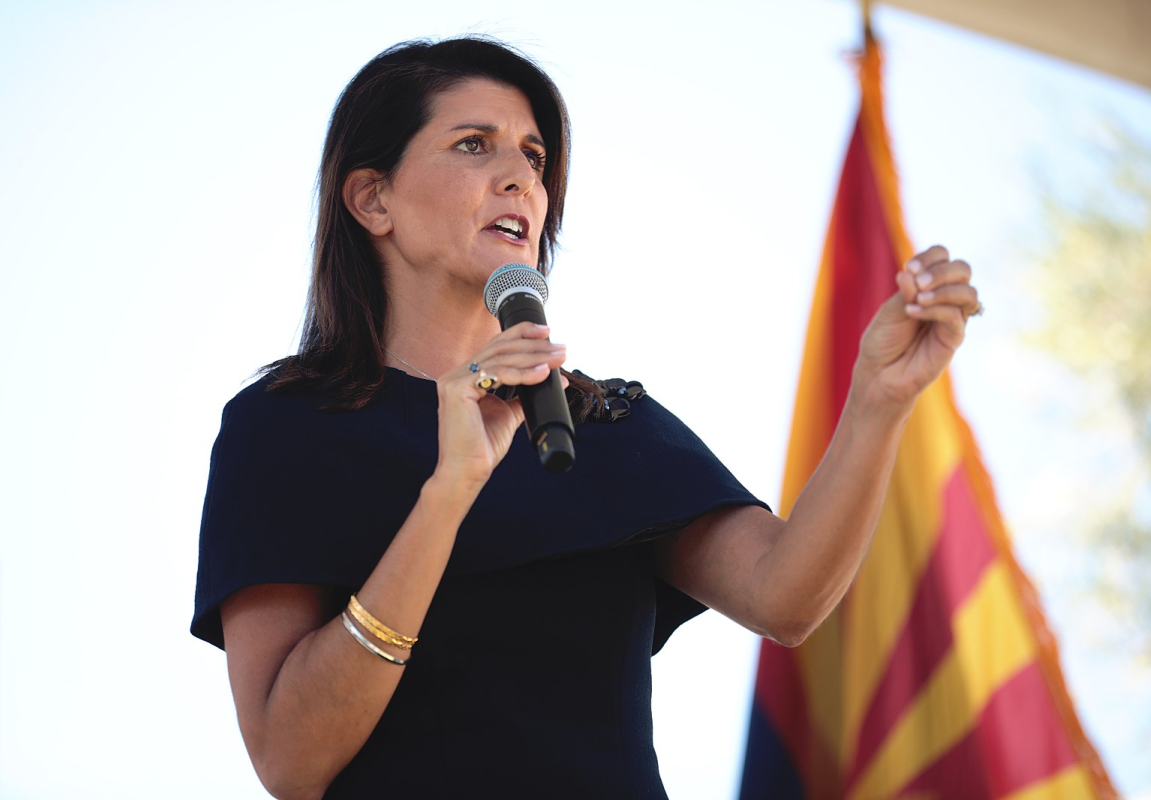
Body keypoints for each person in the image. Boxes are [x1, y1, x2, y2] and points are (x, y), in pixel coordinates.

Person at [191, 36, 981, 800]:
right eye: (475, 145)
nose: (520, 180)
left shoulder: (606, 421)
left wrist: (880, 400)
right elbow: (291, 762)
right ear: (373, 199)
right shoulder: (288, 425)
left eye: (534, 157)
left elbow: (787, 599)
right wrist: (451, 489)